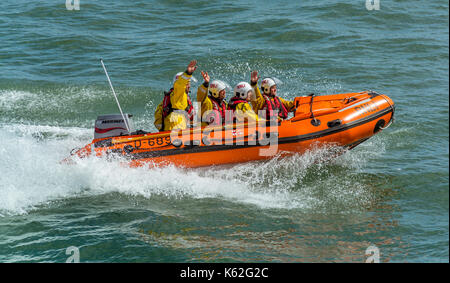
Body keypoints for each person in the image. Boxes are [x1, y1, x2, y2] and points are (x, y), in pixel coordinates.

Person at [154, 60, 197, 131]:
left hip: (173, 129)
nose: (189, 86)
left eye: (189, 83)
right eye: (187, 84)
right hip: (175, 129)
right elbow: (180, 84)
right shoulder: (178, 93)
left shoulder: (175, 96)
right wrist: (188, 73)